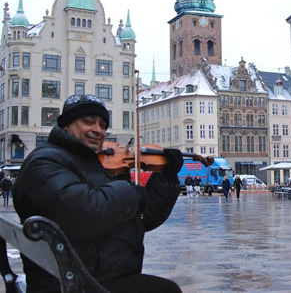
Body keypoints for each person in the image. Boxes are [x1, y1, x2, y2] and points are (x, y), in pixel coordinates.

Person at [12, 94, 183, 293]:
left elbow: (143, 219)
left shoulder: (94, 163)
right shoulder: (45, 161)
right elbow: (85, 211)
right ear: (67, 124)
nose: (98, 130)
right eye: (88, 122)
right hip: (77, 282)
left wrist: (166, 177)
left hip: (96, 274)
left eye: (102, 125)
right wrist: (132, 192)